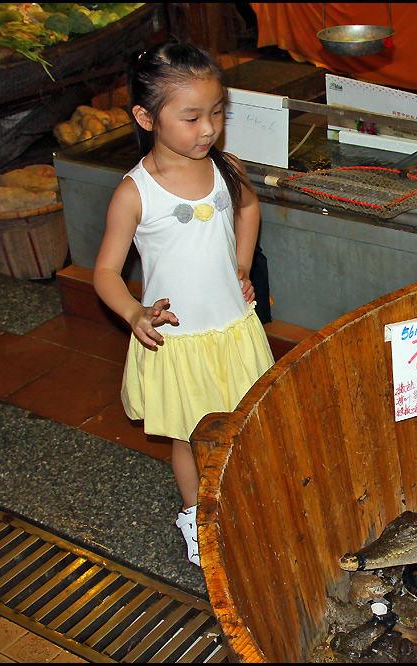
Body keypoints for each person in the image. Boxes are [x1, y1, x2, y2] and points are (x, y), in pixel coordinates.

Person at [93, 41, 275, 566]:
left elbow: (249, 208)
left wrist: (240, 265)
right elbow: (105, 271)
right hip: (180, 340)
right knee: (190, 436)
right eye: (192, 117)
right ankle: (197, 516)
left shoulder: (226, 169)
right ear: (146, 117)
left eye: (217, 112)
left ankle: (243, 497)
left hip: (234, 329)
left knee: (243, 422)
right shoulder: (136, 192)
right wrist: (132, 312)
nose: (209, 129)